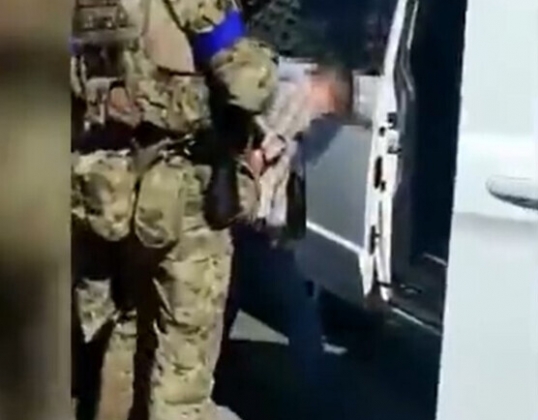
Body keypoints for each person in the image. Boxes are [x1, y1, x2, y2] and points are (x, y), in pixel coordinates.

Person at [70, 0, 277, 419]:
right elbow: (250, 84)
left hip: (111, 199)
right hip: (184, 208)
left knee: (127, 337)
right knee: (182, 376)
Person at [220, 62, 354, 419]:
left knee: (230, 295)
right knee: (297, 310)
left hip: (249, 222)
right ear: (326, 91)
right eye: (330, 109)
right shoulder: (299, 99)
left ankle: (211, 368)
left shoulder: (283, 88)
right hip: (257, 224)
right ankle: (318, 397)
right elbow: (262, 157)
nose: (324, 118)